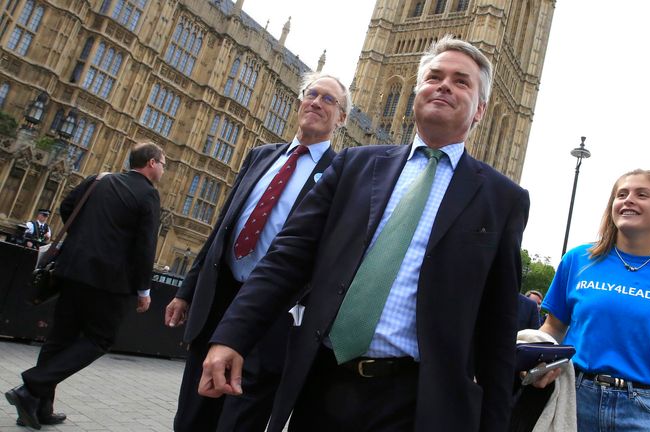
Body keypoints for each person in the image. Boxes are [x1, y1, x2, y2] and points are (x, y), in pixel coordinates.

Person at [198, 35, 529, 432]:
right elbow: (288, 258)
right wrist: (232, 336)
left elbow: (497, 326)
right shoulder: (355, 165)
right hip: (323, 381)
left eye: (461, 82)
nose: (444, 85)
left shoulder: (502, 198)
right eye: (434, 77)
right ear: (416, 92)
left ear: (480, 111)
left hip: (414, 400)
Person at [164, 71, 345, 431]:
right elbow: (223, 228)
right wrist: (187, 290)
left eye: (329, 100)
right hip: (220, 299)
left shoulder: (343, 174)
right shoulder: (261, 156)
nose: (317, 103)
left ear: (341, 119)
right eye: (312, 94)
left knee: (240, 418)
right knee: (191, 417)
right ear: (299, 103)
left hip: (273, 315)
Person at [535, 169, 650, 431]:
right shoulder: (578, 260)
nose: (628, 199)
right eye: (621, 194)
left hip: (647, 410)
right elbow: (553, 327)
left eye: (642, 194)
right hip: (573, 399)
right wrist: (537, 353)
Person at [5, 142, 164, 430]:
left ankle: (39, 408)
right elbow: (145, 247)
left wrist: (86, 238)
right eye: (163, 163)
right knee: (99, 339)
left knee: (59, 339)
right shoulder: (148, 196)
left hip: (72, 269)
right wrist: (144, 290)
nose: (164, 169)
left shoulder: (100, 179)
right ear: (152, 163)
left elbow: (68, 207)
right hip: (109, 281)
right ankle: (30, 386)